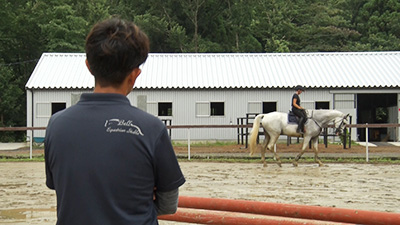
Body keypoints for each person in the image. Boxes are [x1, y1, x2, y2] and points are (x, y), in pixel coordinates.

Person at [44, 17, 185, 225]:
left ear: (89, 66)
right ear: (134, 75)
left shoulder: (56, 125)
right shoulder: (152, 128)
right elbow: (168, 204)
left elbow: (60, 187)